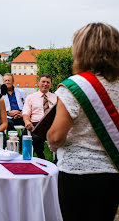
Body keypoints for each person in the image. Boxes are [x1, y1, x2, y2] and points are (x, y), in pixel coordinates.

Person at [47, 23, 119, 221]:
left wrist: (50, 142)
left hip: (77, 174)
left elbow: (56, 136)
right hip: (113, 170)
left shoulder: (75, 86)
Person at [22, 74, 57, 159]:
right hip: (37, 124)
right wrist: (27, 122)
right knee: (36, 137)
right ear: (38, 83)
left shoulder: (56, 97)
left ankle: (57, 161)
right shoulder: (30, 97)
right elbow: (26, 113)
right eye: (43, 81)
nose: (45, 84)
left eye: (48, 82)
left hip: (53, 124)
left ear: (51, 84)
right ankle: (41, 158)